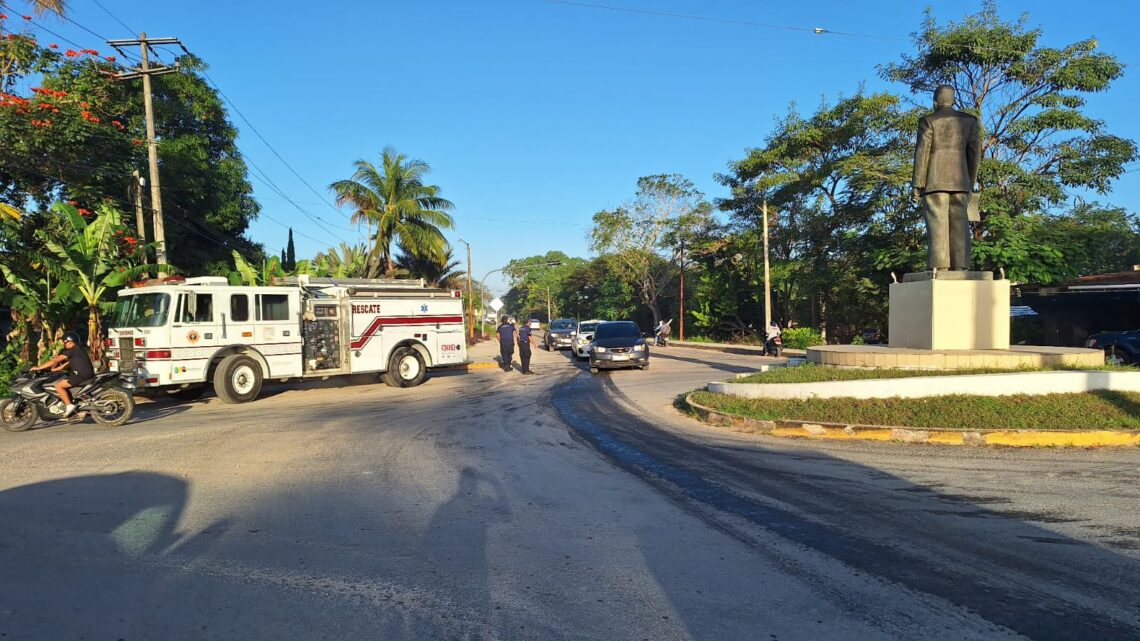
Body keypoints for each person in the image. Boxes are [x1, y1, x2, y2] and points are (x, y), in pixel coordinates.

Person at [912, 84, 981, 272]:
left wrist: (918, 183)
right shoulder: (970, 121)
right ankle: (961, 266)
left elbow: (922, 153)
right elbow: (975, 155)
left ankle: (939, 267)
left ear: (935, 101)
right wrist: (969, 181)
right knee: (960, 224)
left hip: (934, 182)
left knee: (938, 224)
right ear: (953, 100)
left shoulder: (928, 121)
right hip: (961, 182)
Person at [30, 331, 94, 418]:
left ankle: (69, 405)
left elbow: (55, 361)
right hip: (84, 374)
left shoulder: (72, 350)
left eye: (64, 342)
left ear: (69, 341)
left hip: (81, 375)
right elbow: (70, 362)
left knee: (58, 386)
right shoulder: (78, 349)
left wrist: (39, 367)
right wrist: (58, 369)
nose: (64, 344)